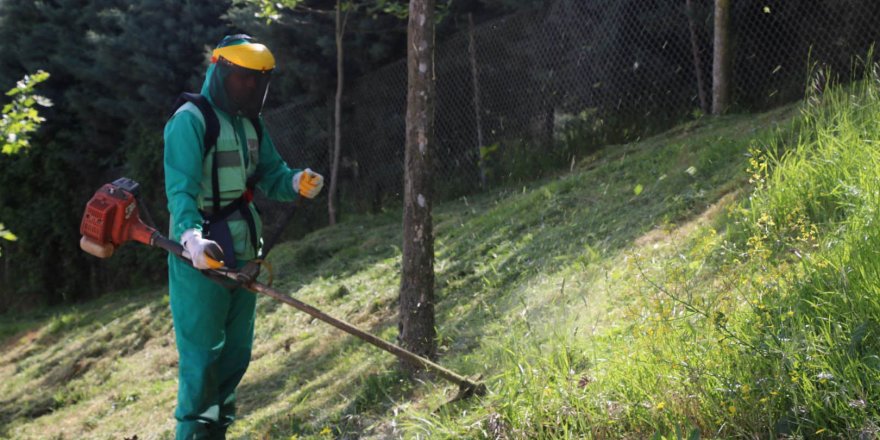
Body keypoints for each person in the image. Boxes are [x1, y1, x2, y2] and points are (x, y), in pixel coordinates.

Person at [163, 34, 323, 439]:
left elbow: (271, 174)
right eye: (243, 79)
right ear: (220, 71)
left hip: (245, 250)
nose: (250, 88)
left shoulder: (251, 121)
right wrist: (191, 240)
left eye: (259, 80)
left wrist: (297, 181)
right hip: (199, 256)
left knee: (234, 358)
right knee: (201, 362)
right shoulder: (190, 120)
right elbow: (179, 191)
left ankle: (216, 434)